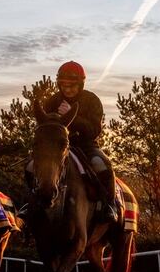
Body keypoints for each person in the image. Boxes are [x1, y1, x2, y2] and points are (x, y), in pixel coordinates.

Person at [43, 61, 119, 224]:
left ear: (81, 84)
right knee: (30, 165)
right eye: (64, 85)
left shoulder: (92, 100)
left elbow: (94, 130)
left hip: (86, 146)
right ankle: (31, 204)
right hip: (57, 148)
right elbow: (45, 128)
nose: (68, 89)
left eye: (72, 85)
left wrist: (72, 116)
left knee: (103, 165)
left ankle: (110, 205)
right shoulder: (52, 102)